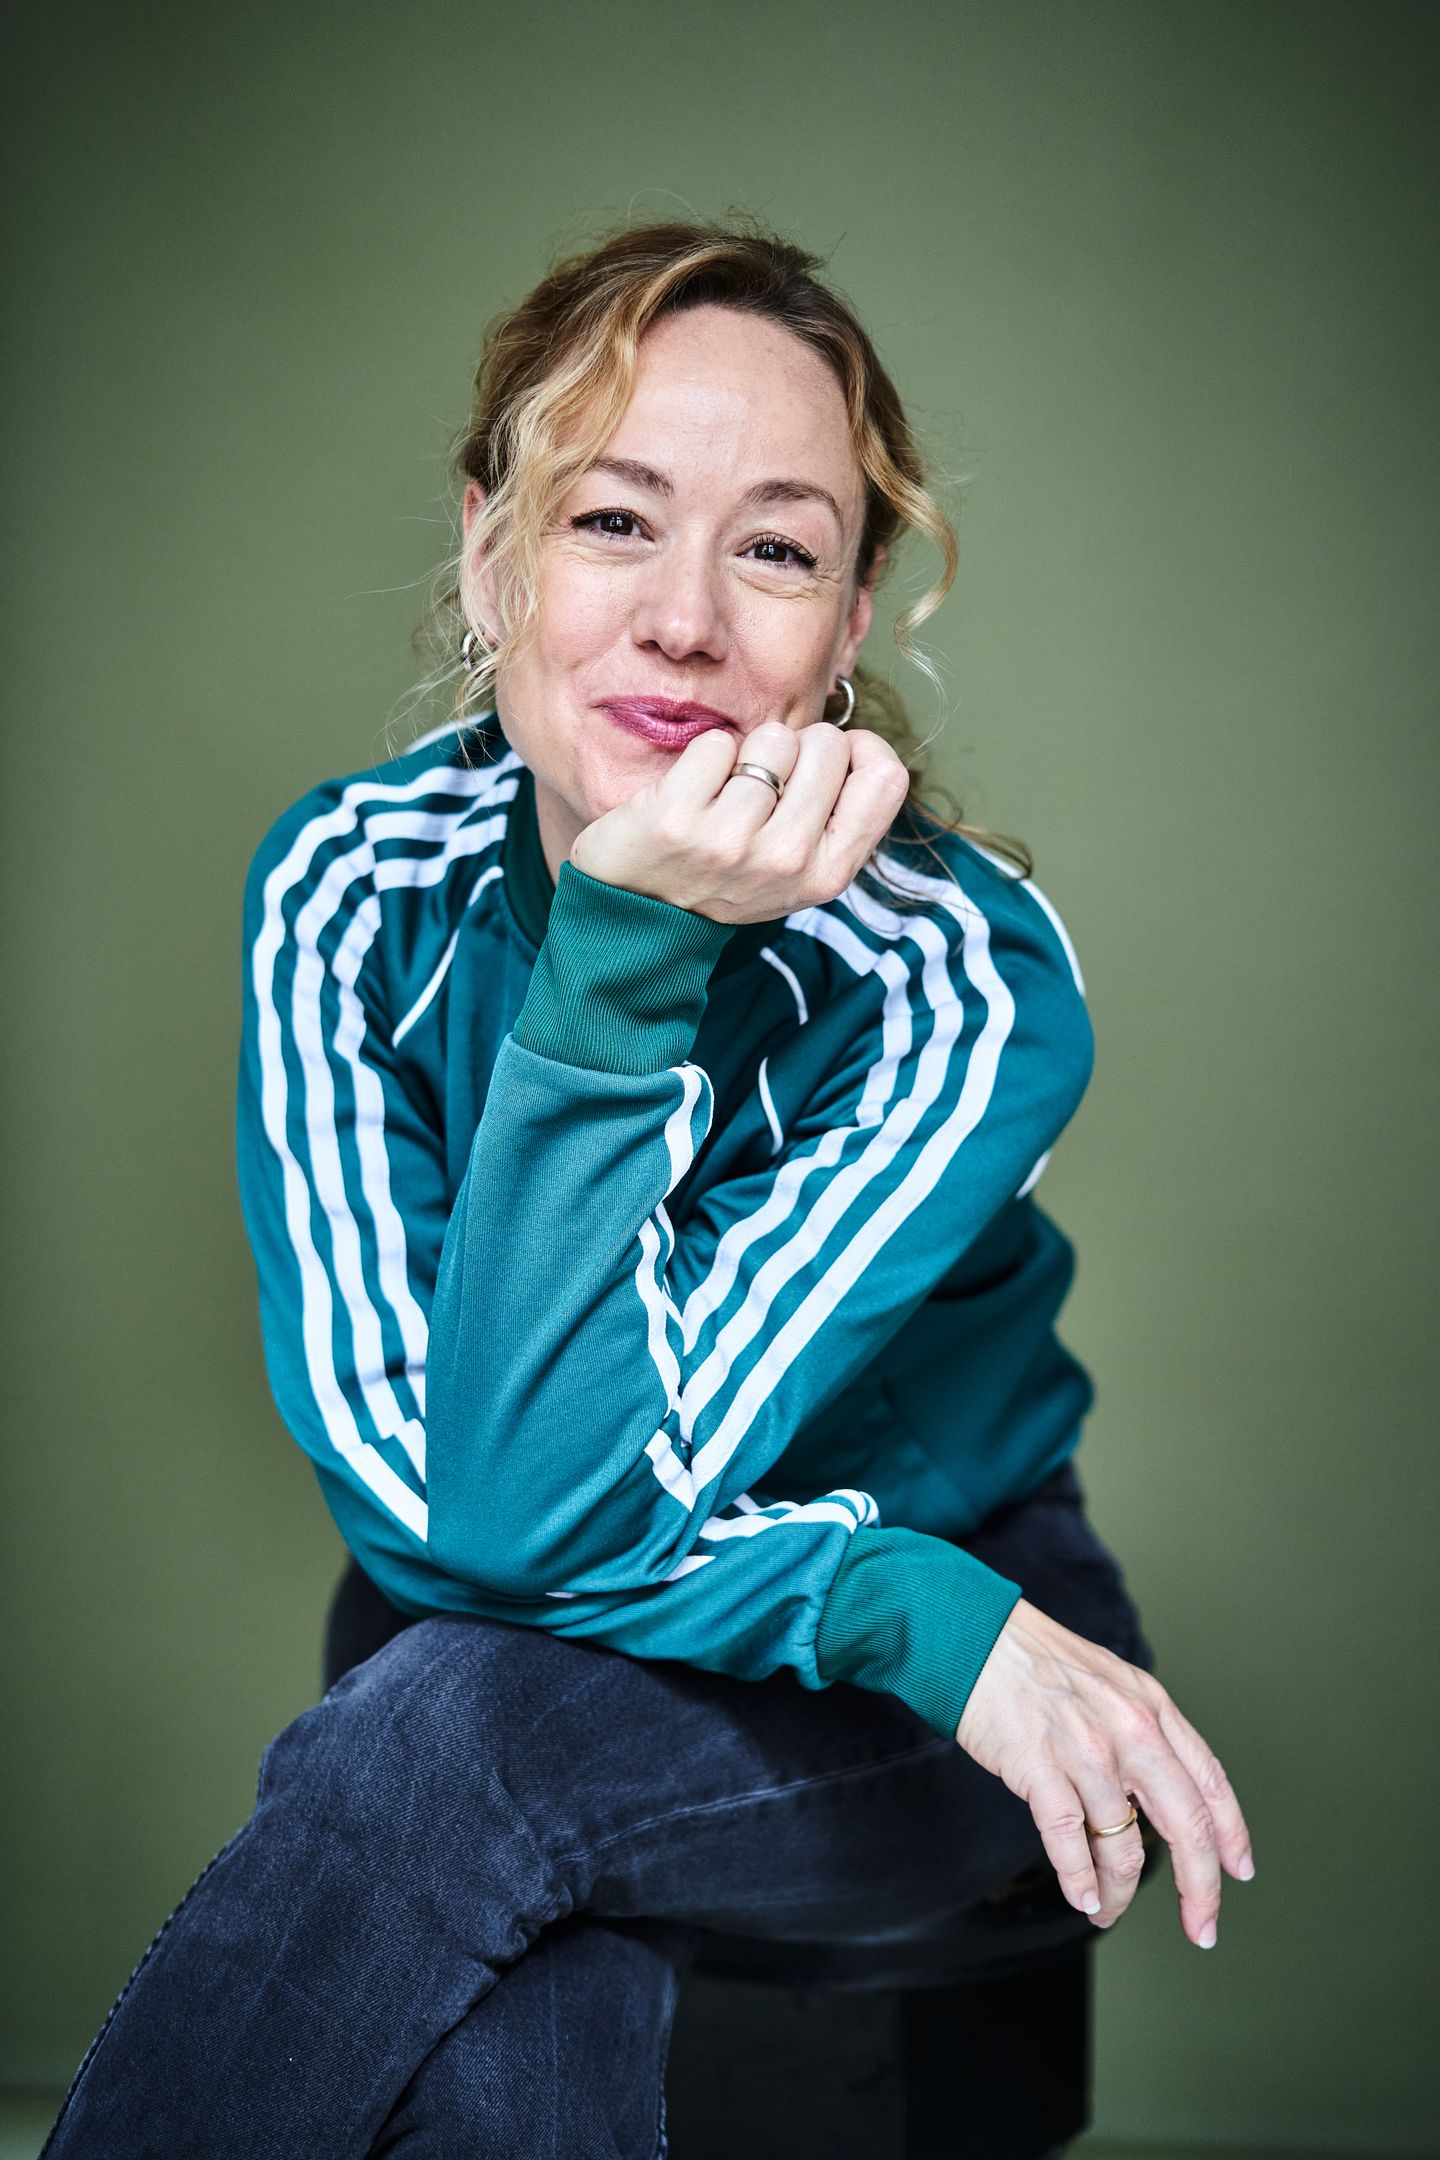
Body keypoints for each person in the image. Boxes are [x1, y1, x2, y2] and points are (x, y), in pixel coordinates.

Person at [42, 216, 1253, 2158]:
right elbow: (468, 1518)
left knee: (445, 1743)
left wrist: (619, 956)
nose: (686, 618)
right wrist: (893, 1602)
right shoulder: (346, 898)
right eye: (613, 520)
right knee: (483, 1844)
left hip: (929, 1697)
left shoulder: (962, 980)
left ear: (847, 629)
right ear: (488, 556)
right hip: (885, 1625)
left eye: (775, 549)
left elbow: (542, 1524)